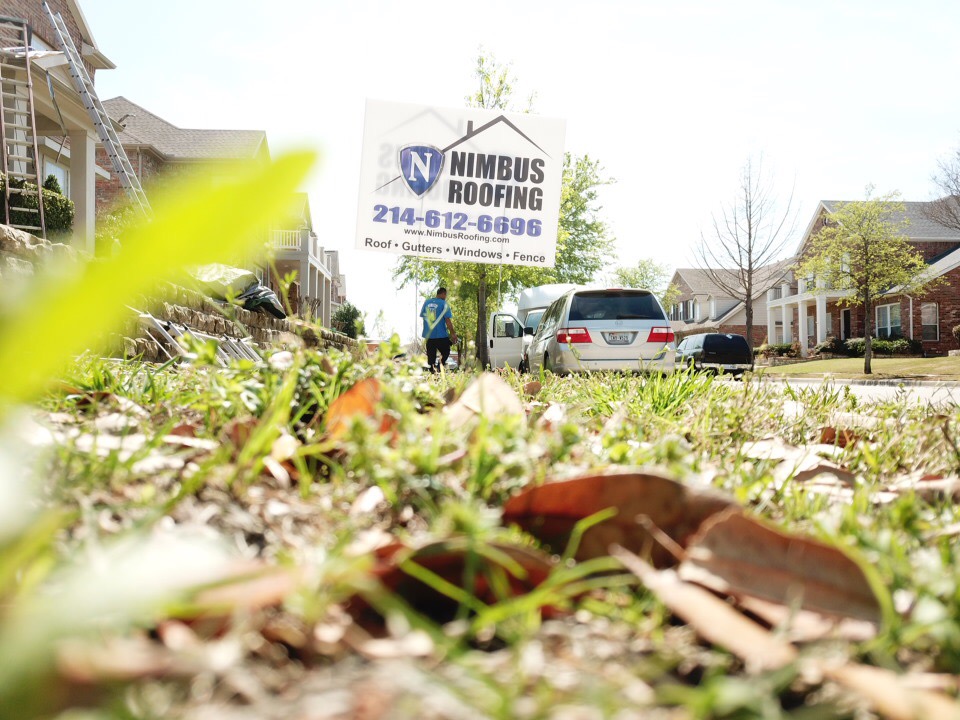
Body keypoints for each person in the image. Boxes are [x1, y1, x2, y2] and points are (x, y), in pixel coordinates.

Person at [420, 287, 457, 372]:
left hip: (429, 335)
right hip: (441, 335)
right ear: (443, 294)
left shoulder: (427, 302)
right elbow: (448, 320)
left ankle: (432, 373)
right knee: (446, 351)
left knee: (431, 359)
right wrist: (453, 333)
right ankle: (440, 366)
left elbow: (424, 317)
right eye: (445, 295)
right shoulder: (444, 304)